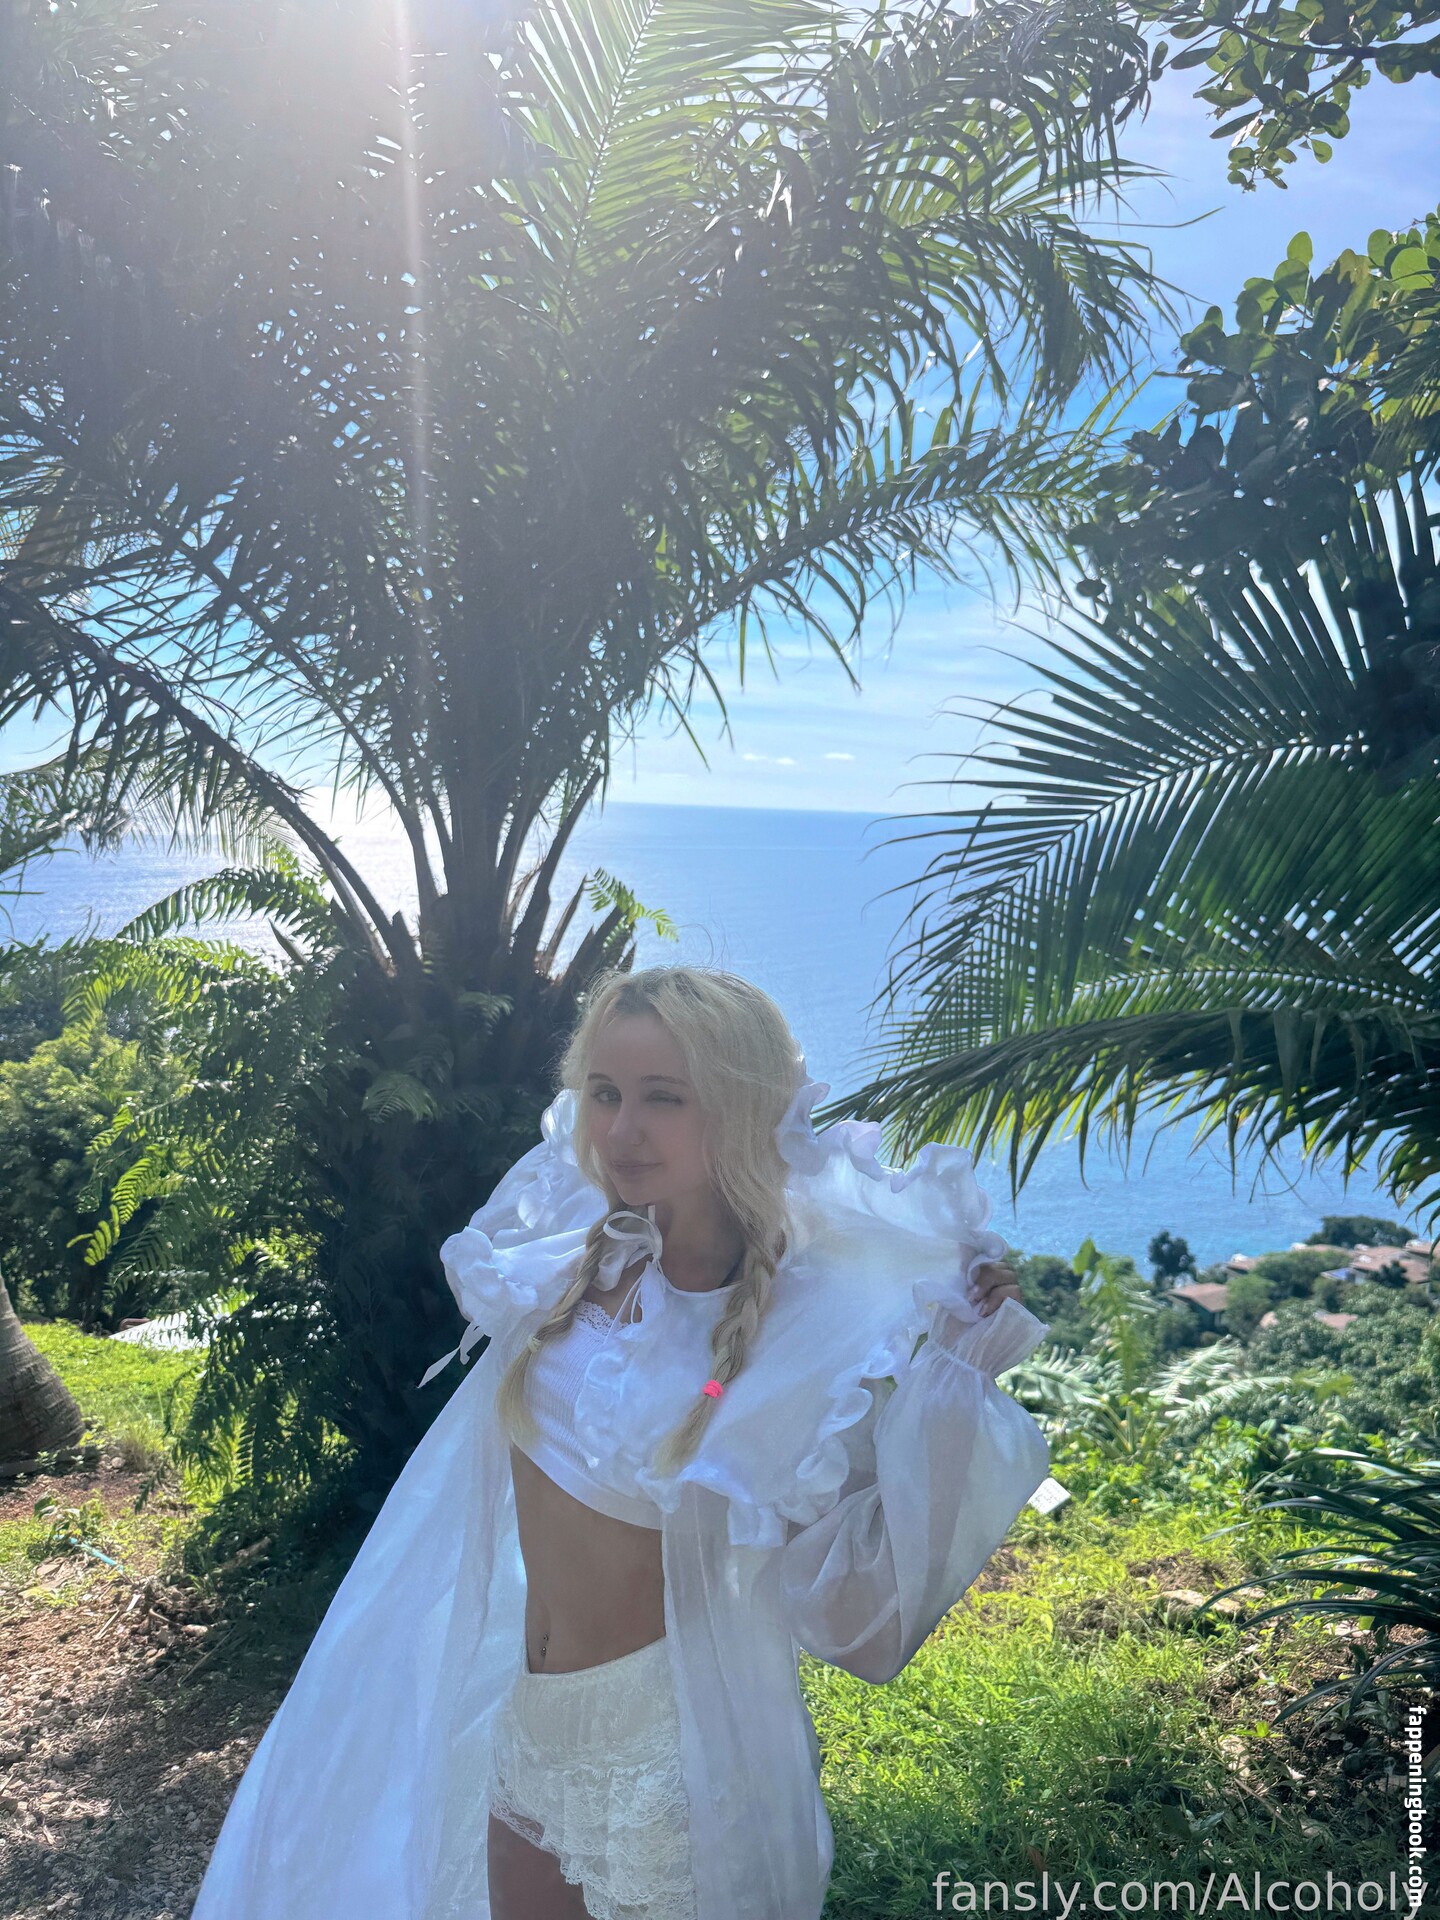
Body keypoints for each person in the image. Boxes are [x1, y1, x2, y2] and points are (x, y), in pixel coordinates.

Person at [190, 964, 1052, 1920]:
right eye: (604, 1093)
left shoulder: (798, 1328)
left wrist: (958, 1381)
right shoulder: (581, 1254)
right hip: (532, 1725)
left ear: (740, 1107)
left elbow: (862, 1611)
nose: (622, 1130)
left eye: (664, 1098)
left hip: (667, 1758)